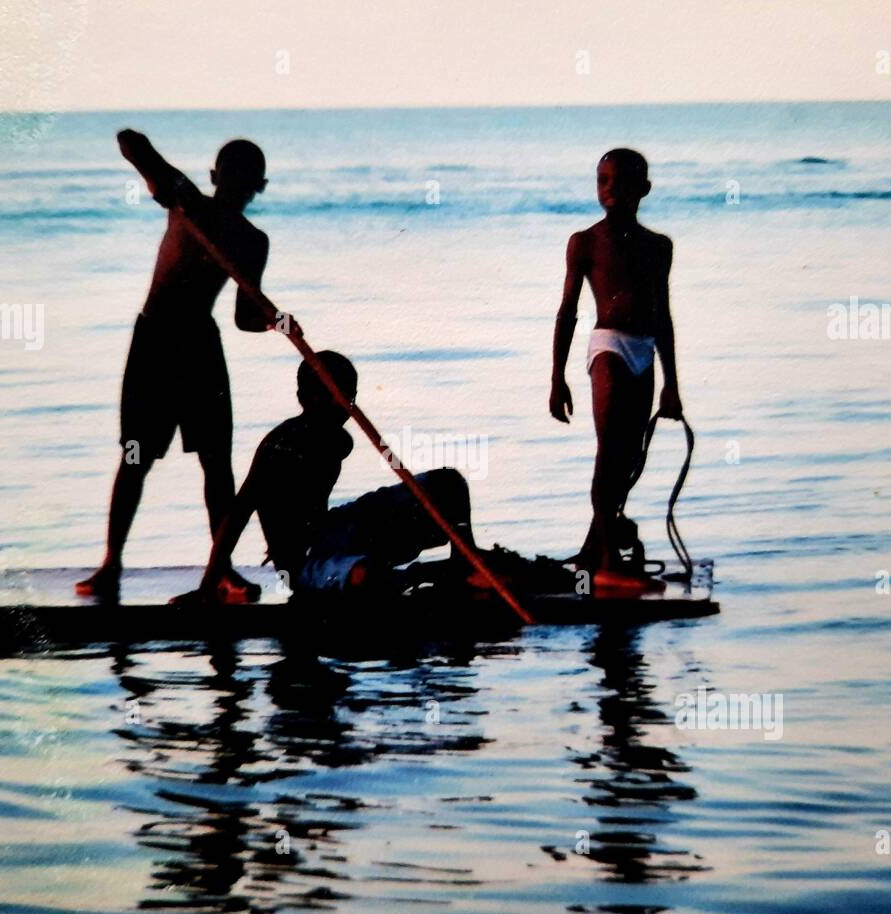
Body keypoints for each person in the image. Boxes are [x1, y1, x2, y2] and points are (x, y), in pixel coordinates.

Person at [77, 129, 277, 598]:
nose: (238, 186)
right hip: (154, 340)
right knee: (135, 456)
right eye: (230, 175)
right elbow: (130, 141)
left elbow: (245, 318)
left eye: (249, 180)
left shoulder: (252, 242)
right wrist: (166, 181)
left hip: (200, 344)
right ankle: (111, 565)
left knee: (217, 463)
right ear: (214, 176)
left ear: (260, 187)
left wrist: (273, 317)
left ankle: (222, 569)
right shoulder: (186, 202)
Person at [172, 351, 482, 606]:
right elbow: (239, 513)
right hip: (301, 563)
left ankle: (465, 563)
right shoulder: (280, 446)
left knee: (448, 484)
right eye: (334, 394)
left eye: (350, 396)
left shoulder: (338, 439)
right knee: (367, 578)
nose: (344, 405)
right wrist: (209, 585)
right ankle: (420, 575)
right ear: (304, 398)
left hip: (334, 530)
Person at [548, 147, 684, 593]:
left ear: (643, 189)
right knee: (609, 453)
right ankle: (606, 561)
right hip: (607, 347)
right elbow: (567, 312)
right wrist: (557, 378)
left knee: (628, 460)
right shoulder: (584, 242)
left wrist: (672, 386)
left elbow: (662, 316)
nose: (610, 190)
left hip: (643, 350)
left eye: (620, 182)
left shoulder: (657, 246)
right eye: (602, 180)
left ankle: (594, 548)